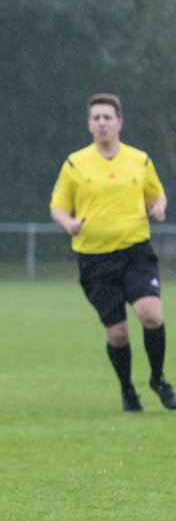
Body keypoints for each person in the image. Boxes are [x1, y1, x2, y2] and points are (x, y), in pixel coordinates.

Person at [50, 93, 174, 413]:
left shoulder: (139, 160)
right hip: (95, 258)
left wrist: (157, 207)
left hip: (135, 252)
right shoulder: (76, 164)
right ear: (89, 125)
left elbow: (157, 194)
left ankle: (159, 380)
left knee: (151, 315)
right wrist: (69, 223)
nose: (102, 123)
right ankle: (127, 389)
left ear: (119, 122)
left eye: (108, 117)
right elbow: (58, 206)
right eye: (96, 118)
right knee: (117, 334)